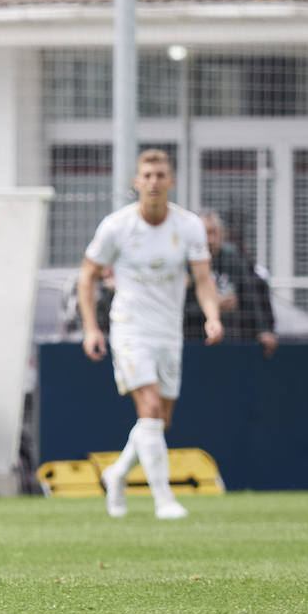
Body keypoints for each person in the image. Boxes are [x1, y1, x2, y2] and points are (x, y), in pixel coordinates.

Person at [78, 149, 224, 520]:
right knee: (151, 409)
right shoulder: (116, 227)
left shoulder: (189, 226)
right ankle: (164, 499)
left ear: (171, 181)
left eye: (161, 175)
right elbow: (87, 275)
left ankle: (117, 474)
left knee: (158, 422)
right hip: (129, 329)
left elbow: (204, 281)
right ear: (136, 182)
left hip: (168, 333)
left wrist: (212, 316)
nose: (154, 182)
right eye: (148, 175)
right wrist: (92, 327)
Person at [182, 210, 276, 357]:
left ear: (222, 234)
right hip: (194, 342)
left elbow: (251, 296)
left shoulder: (233, 258)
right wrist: (212, 306)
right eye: (205, 233)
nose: (210, 239)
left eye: (213, 233)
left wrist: (263, 330)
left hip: (233, 340)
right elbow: (179, 309)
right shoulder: (185, 263)